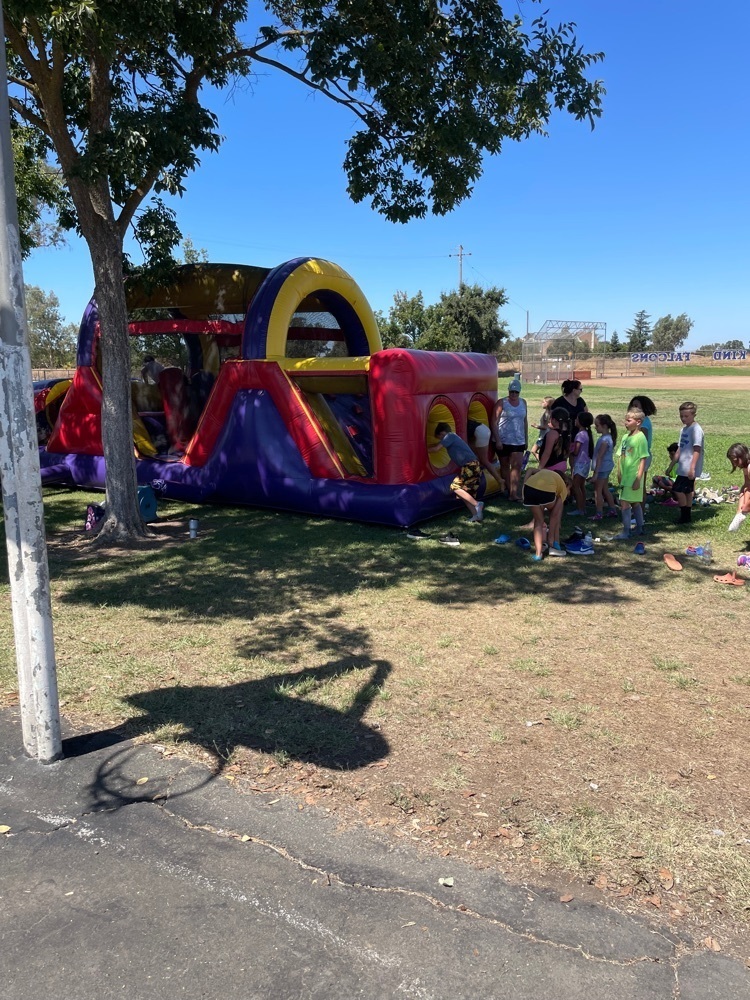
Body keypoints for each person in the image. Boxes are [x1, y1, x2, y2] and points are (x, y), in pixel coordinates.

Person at [429, 422, 485, 522]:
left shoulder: (449, 436)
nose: (441, 441)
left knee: (454, 487)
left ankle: (477, 504)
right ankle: (476, 515)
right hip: (473, 465)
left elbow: (436, 448)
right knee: (464, 493)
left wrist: (423, 449)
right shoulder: (453, 437)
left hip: (470, 465)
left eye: (440, 438)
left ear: (442, 433)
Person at [612, 408, 649, 540]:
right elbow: (620, 456)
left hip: (633, 476)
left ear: (638, 422)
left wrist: (639, 478)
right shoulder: (625, 437)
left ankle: (626, 531)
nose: (625, 423)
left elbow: (643, 458)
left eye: (629, 420)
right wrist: (619, 472)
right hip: (625, 476)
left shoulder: (641, 438)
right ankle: (640, 528)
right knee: (634, 502)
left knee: (625, 503)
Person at [492, 379, 528, 501]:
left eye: (516, 392)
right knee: (505, 465)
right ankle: (508, 489)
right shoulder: (501, 403)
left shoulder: (523, 402)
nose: (513, 395)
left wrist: (526, 439)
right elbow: (494, 422)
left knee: (517, 466)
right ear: (508, 391)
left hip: (519, 440)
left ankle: (514, 493)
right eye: (512, 392)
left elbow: (525, 421)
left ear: (519, 392)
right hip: (503, 440)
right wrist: (497, 440)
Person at [522, 467, 568, 561]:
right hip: (546, 492)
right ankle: (553, 545)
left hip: (528, 488)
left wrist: (523, 484)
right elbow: (554, 518)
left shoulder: (546, 473)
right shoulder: (564, 489)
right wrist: (553, 541)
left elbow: (530, 469)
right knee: (554, 514)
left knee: (538, 521)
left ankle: (538, 554)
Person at [673, 402, 704, 525]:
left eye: (686, 416)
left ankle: (684, 515)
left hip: (689, 467)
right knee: (687, 491)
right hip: (682, 465)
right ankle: (687, 516)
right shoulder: (684, 429)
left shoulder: (696, 429)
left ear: (694, 415)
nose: (683, 419)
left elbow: (697, 449)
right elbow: (680, 448)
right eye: (681, 416)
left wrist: (692, 468)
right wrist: (672, 464)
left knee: (678, 489)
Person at [590, 414, 619, 520]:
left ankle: (599, 513)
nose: (595, 428)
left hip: (602, 468)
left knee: (598, 491)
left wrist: (596, 473)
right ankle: (612, 510)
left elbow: (600, 457)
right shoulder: (607, 437)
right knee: (605, 489)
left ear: (605, 426)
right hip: (606, 467)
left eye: (597, 425)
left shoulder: (604, 440)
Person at [629, 395, 657, 501]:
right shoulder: (640, 421)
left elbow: (642, 440)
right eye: (632, 405)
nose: (633, 407)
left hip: (641, 456)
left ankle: (640, 511)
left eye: (636, 405)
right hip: (637, 455)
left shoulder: (644, 421)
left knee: (640, 486)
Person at [467, 419, 505, 489]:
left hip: (481, 433)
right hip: (483, 429)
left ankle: (500, 480)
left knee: (484, 460)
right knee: (477, 456)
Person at [569, 412, 594, 515]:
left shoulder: (580, 435)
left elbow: (576, 451)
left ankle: (580, 509)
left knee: (576, 486)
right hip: (586, 462)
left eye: (577, 419)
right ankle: (583, 507)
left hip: (580, 463)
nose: (575, 421)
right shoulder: (587, 433)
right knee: (581, 486)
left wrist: (570, 450)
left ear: (580, 422)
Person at [726, 443, 750, 532]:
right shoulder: (746, 465)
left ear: (742, 455)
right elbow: (747, 485)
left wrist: (746, 508)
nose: (735, 464)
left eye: (735, 461)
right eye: (732, 462)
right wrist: (739, 511)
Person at [530, 395, 554, 460]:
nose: (541, 403)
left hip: (543, 437)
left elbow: (545, 427)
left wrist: (536, 426)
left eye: (543, 402)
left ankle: (543, 464)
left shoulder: (547, 414)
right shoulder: (549, 412)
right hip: (545, 436)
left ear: (548, 404)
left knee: (533, 450)